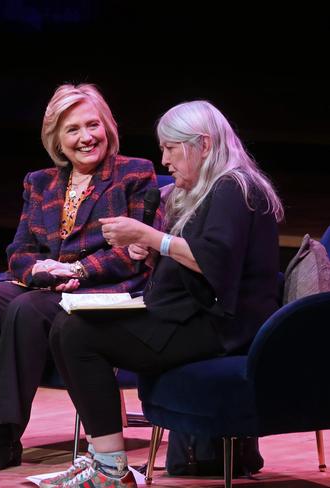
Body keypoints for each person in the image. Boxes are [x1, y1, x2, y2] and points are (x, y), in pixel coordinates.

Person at [45, 100, 284, 487]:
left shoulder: (235, 187)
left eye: (171, 148)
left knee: (78, 335)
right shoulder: (202, 190)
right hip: (185, 315)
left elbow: (216, 263)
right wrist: (155, 248)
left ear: (203, 145)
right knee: (66, 324)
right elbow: (190, 255)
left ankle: (110, 470)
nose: (165, 160)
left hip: (218, 326)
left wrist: (151, 237)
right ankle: (102, 460)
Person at [0, 83, 160, 474]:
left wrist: (76, 270)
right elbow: (18, 251)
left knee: (27, 310)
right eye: (72, 129)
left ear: (108, 126)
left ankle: (4, 437)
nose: (86, 137)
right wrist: (39, 270)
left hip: (99, 289)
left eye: (93, 125)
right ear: (56, 138)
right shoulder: (39, 182)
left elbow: (132, 250)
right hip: (44, 285)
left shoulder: (134, 173)